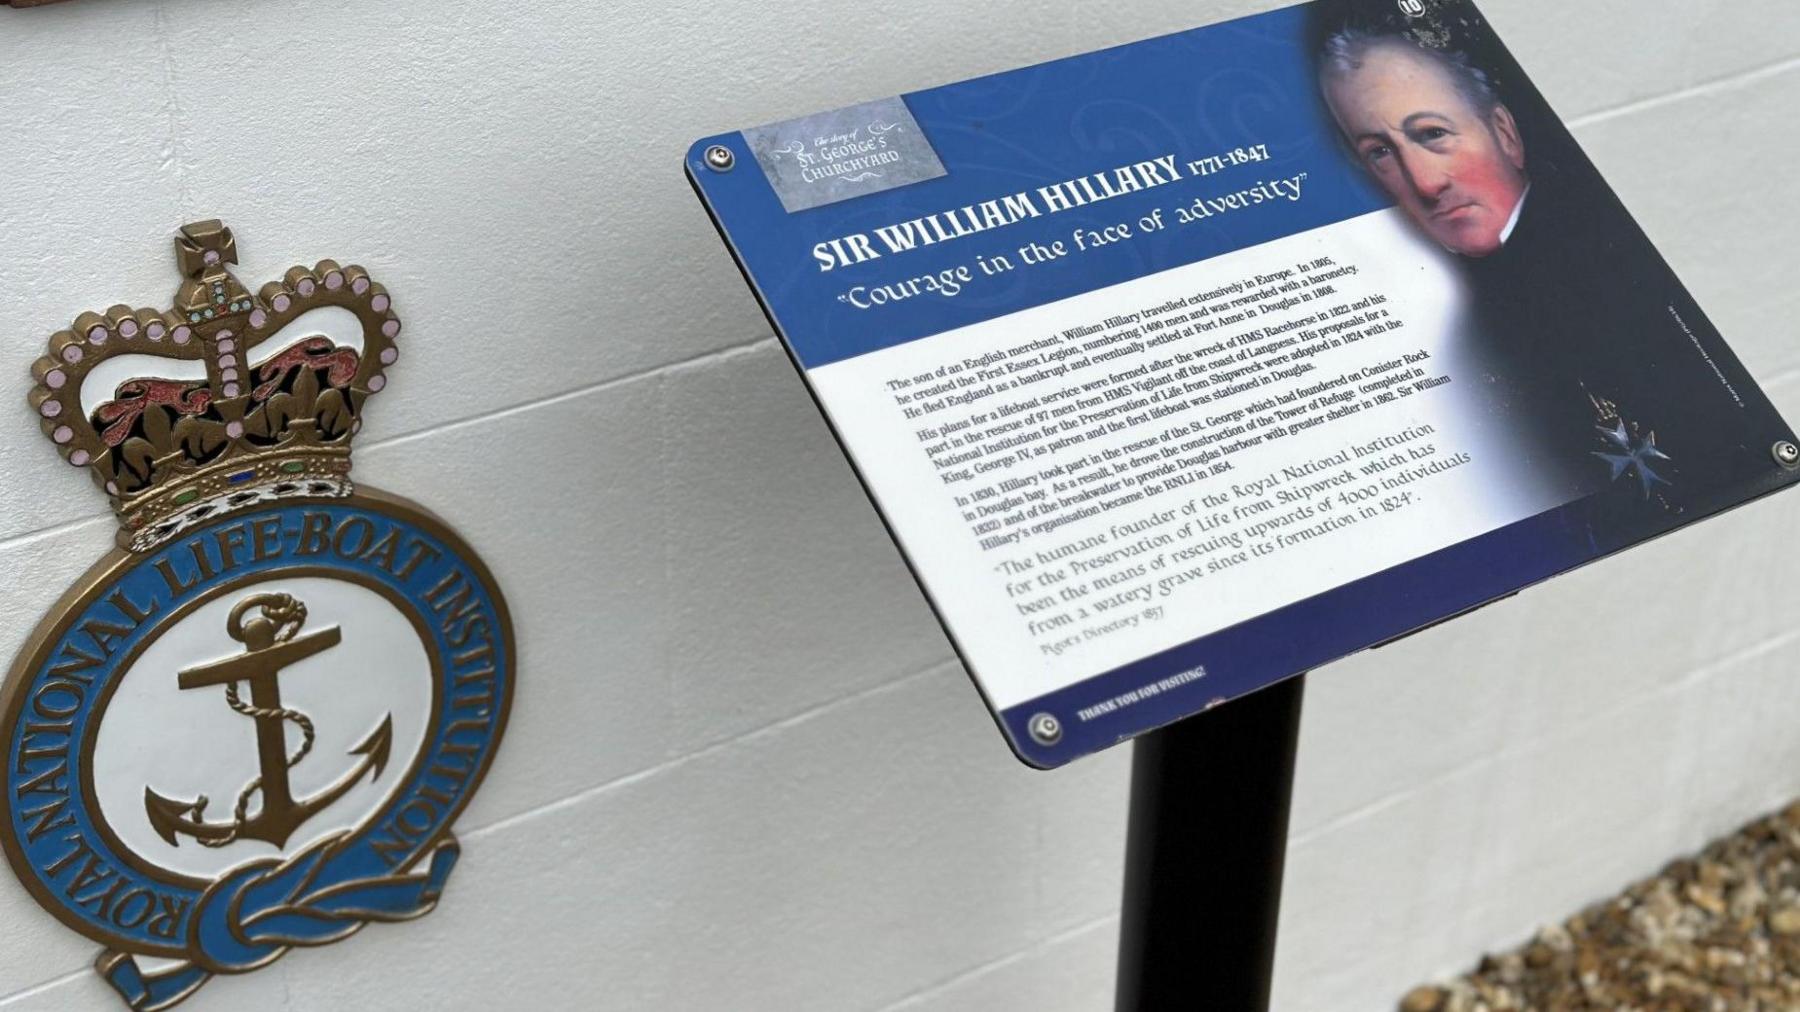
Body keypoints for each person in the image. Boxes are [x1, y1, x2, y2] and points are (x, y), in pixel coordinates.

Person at [1311, 9, 1781, 520]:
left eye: (1431, 134)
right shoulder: (1445, 311)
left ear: (1505, 134)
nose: (1424, 182)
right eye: (1381, 151)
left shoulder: (1608, 262)